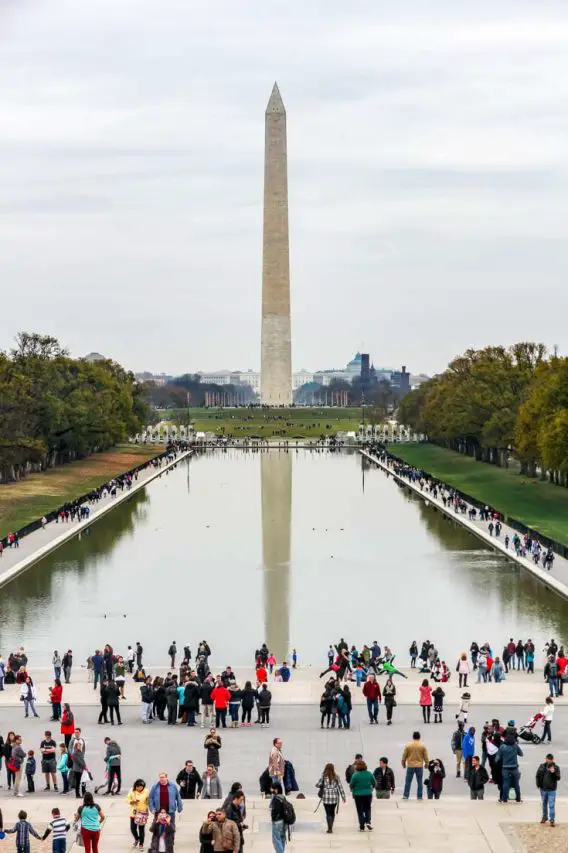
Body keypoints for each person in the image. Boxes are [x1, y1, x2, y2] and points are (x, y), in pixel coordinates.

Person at [315, 763, 345, 834]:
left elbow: (318, 785)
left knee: (328, 813)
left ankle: (329, 828)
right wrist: (343, 797)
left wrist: (319, 784)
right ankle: (331, 827)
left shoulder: (324, 776)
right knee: (332, 812)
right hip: (334, 797)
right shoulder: (336, 776)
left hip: (326, 797)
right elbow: (340, 787)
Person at [349, 758, 375, 832]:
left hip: (358, 795)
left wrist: (353, 788)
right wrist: (371, 788)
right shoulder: (369, 774)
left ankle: (362, 826)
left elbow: (351, 785)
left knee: (360, 810)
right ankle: (368, 822)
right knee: (367, 808)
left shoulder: (355, 775)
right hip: (368, 794)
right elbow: (374, 783)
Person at [401, 731, 429, 800]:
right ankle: (419, 796)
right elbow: (426, 757)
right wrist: (426, 764)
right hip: (419, 766)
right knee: (419, 782)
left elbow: (404, 756)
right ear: (419, 737)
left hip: (410, 765)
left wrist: (403, 763)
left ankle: (406, 795)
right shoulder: (422, 746)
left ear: (413, 737)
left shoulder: (408, 745)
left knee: (408, 781)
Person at [536, 753, 560, 826]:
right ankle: (544, 817)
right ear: (546, 759)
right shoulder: (542, 766)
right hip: (543, 789)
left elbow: (558, 778)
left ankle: (552, 819)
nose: (549, 761)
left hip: (552, 790)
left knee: (551, 805)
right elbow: (537, 775)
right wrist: (538, 784)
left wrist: (553, 772)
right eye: (547, 759)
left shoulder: (556, 767)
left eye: (550, 760)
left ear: (552, 760)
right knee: (544, 804)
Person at [497, 735, 523, 803]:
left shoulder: (502, 747)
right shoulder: (515, 746)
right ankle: (518, 799)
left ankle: (504, 799)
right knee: (516, 784)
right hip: (514, 768)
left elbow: (497, 759)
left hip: (505, 768)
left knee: (505, 784)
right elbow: (521, 754)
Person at [127, 779, 149, 850]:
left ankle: (141, 844)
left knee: (141, 829)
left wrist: (148, 802)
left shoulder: (146, 791)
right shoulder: (132, 790)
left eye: (141, 787)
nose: (139, 788)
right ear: (135, 786)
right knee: (133, 828)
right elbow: (127, 799)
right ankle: (137, 839)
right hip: (134, 812)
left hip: (142, 812)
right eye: (137, 786)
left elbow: (149, 800)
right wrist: (132, 801)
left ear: (143, 786)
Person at [269, 781, 292, 853]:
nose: (271, 790)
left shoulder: (276, 798)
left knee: (276, 841)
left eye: (272, 788)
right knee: (282, 839)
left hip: (277, 822)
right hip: (284, 822)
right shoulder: (283, 797)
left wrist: (274, 819)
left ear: (276, 789)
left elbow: (276, 810)